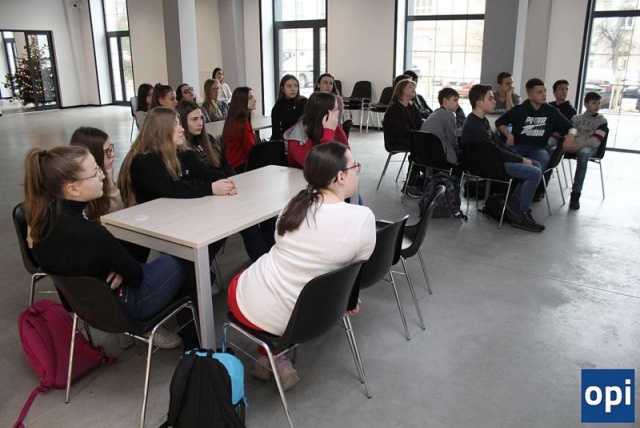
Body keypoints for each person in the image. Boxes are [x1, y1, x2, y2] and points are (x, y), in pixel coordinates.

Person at [227, 142, 376, 390]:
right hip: (310, 317)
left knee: (248, 277)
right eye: (355, 167)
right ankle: (272, 356)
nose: (357, 172)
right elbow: (355, 269)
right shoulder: (362, 218)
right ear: (340, 177)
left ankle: (270, 355)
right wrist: (348, 298)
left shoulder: (292, 206)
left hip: (254, 306)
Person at [25, 145, 196, 349]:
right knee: (184, 257)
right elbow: (136, 276)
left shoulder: (39, 226)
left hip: (88, 308)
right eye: (95, 172)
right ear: (73, 188)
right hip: (128, 307)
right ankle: (194, 342)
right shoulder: (90, 233)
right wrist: (121, 268)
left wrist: (116, 267)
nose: (102, 176)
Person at [176, 100, 274, 260]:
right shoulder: (181, 148)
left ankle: (272, 259)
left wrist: (232, 182)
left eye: (201, 118)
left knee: (265, 213)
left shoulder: (207, 139)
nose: (200, 123)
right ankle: (266, 264)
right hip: (205, 199)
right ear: (182, 122)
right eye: (194, 119)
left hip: (225, 191)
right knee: (247, 223)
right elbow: (197, 177)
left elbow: (226, 165)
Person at [461, 84, 545, 232]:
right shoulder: (473, 125)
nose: (494, 102)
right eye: (490, 99)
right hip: (485, 165)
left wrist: (520, 157)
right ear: (479, 103)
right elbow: (495, 150)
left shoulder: (483, 120)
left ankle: (513, 204)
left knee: (536, 164)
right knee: (535, 172)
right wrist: (521, 160)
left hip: (493, 160)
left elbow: (499, 144)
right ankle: (521, 214)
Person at [495, 78, 577, 201]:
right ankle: (515, 197)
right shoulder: (520, 109)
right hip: (519, 146)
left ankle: (516, 198)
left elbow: (572, 127)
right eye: (539, 92)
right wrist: (509, 135)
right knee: (511, 163)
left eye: (545, 91)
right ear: (530, 95)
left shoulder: (551, 111)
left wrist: (570, 135)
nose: (544, 95)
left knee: (541, 163)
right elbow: (499, 122)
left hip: (539, 148)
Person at [566, 91, 608, 210]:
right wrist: (570, 143)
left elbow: (595, 141)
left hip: (589, 147)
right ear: (585, 104)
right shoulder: (576, 118)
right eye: (594, 103)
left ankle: (575, 195)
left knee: (583, 154)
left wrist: (578, 145)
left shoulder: (602, 121)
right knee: (554, 150)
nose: (597, 106)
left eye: (598, 103)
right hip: (573, 144)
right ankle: (540, 188)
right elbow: (570, 132)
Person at [284, 91, 349, 169]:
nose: (338, 113)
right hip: (304, 175)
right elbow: (320, 167)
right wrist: (328, 132)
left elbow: (347, 156)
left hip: (332, 173)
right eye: (335, 110)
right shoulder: (297, 139)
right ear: (325, 115)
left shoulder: (335, 126)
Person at [69, 127, 122, 220]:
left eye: (111, 149)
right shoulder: (82, 184)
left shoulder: (101, 176)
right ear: (93, 155)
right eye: (106, 152)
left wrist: (110, 180)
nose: (112, 155)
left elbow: (118, 214)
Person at [383, 78, 423, 195]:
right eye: (410, 86)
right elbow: (400, 131)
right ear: (402, 90)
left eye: (413, 87)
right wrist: (417, 135)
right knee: (419, 147)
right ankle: (410, 184)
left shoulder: (412, 106)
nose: (413, 89)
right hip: (397, 140)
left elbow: (419, 123)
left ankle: (422, 178)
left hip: (410, 137)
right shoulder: (394, 108)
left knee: (426, 144)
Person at [421, 87, 463, 165]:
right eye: (455, 100)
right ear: (445, 101)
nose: (457, 104)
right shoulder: (448, 114)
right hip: (441, 155)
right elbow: (452, 138)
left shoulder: (435, 113)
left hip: (424, 154)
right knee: (469, 154)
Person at [222, 87, 257, 172]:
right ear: (242, 101)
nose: (255, 100)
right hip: (241, 167)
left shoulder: (234, 120)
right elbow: (251, 151)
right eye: (250, 98)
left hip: (235, 166)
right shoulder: (241, 124)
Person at [270, 74, 307, 141]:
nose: (293, 89)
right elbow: (275, 133)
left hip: (304, 139)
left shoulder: (303, 102)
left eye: (296, 86)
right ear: (282, 89)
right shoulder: (277, 108)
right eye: (289, 86)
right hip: (286, 139)